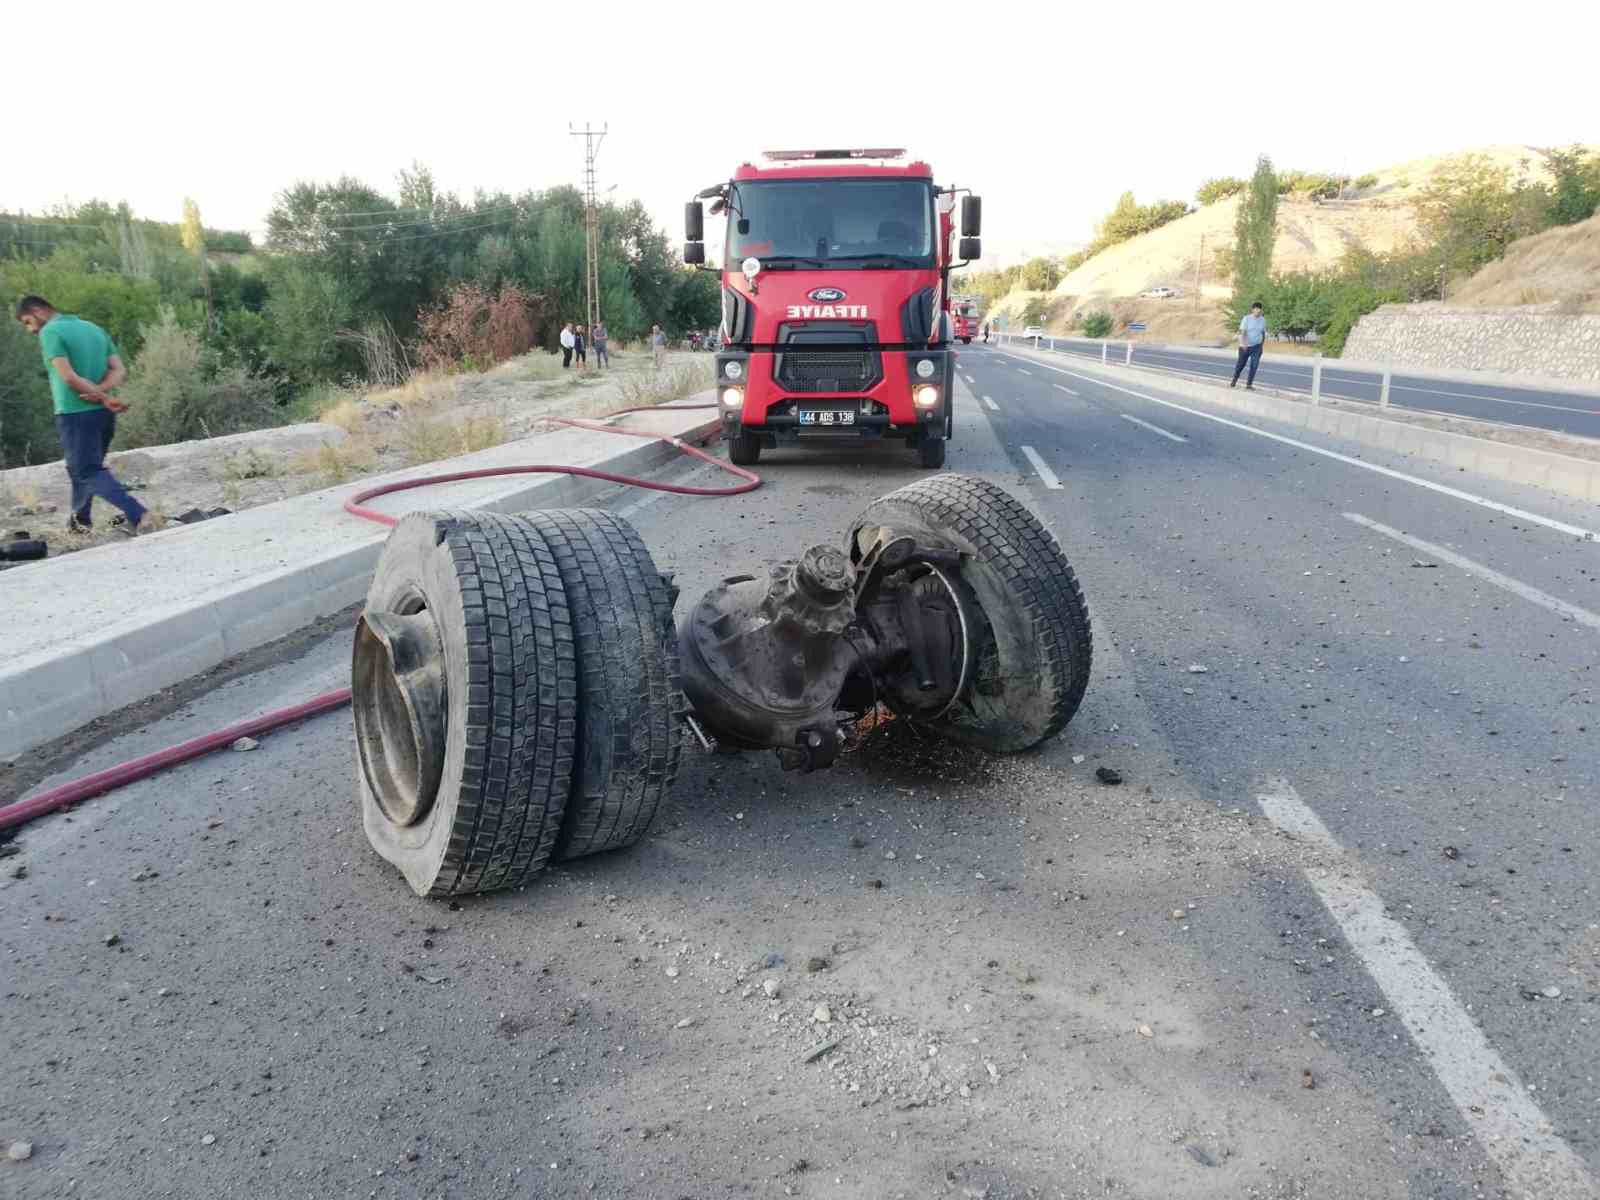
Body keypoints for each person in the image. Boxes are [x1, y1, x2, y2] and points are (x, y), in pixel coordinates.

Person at [14, 295, 149, 536]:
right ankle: (80, 523)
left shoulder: (50, 332)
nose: (30, 329)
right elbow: (119, 369)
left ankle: (141, 515)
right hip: (103, 415)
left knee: (87, 470)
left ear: (38, 311)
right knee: (81, 470)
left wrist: (100, 396)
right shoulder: (93, 328)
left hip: (75, 414)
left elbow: (68, 377)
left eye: (27, 322)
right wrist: (103, 393)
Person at [1231, 301, 1267, 389]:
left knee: (1254, 365)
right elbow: (1243, 332)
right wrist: (1244, 343)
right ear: (1252, 310)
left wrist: (1261, 345)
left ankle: (1249, 384)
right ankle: (1235, 379)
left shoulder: (1263, 320)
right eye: (1256, 309)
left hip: (1257, 347)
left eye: (1259, 309)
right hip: (1245, 346)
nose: (1258, 311)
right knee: (1241, 365)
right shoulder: (1246, 318)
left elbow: (1263, 332)